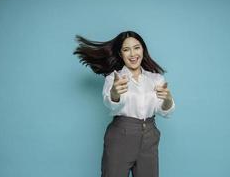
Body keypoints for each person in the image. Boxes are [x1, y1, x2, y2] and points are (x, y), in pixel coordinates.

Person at [73, 30, 175, 177]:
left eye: (136, 47)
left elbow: (164, 111)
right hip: (121, 136)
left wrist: (167, 99)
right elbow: (111, 104)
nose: (133, 54)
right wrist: (115, 93)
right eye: (126, 50)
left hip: (149, 137)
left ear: (143, 50)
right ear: (121, 54)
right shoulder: (114, 78)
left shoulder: (156, 79)